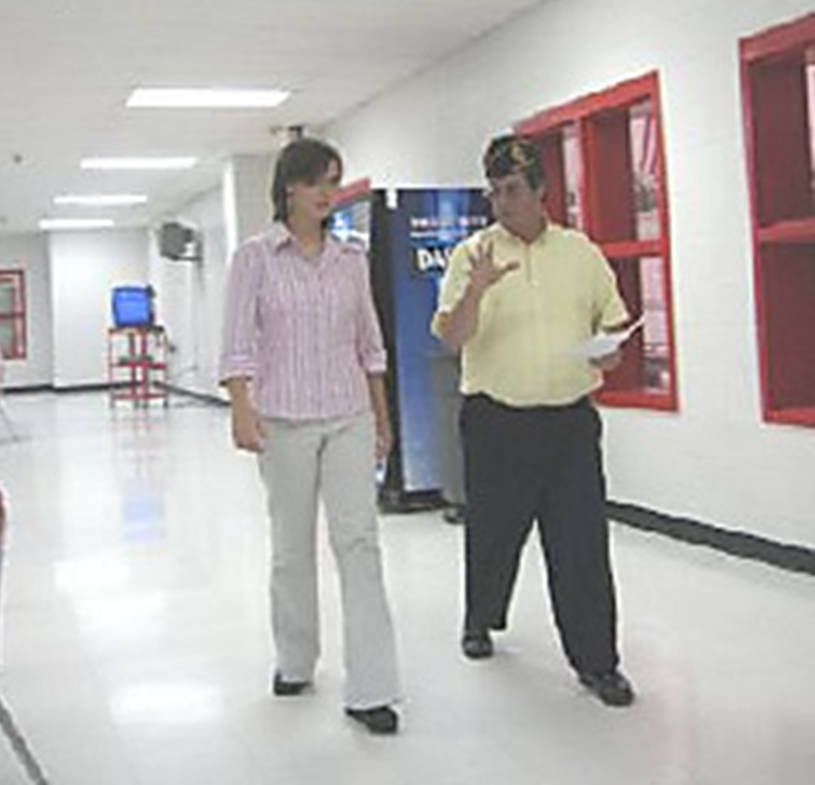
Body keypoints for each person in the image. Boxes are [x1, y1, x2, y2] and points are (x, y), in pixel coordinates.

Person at [431, 134, 636, 707]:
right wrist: (475, 292)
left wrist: (608, 352)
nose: (502, 202)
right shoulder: (471, 255)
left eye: (513, 190)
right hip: (497, 423)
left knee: (580, 544)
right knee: (494, 533)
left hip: (569, 425)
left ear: (541, 190)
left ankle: (598, 663)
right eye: (494, 192)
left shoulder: (581, 254)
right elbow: (451, 339)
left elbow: (612, 326)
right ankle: (480, 617)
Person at [219, 137, 401, 735]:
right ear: (289, 188)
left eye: (334, 181)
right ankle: (295, 659)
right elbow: (237, 344)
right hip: (283, 421)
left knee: (360, 544)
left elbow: (370, 346)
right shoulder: (255, 258)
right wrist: (241, 410)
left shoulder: (350, 260)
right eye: (317, 181)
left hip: (348, 416)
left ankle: (372, 688)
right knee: (292, 547)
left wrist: (381, 418)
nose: (328, 193)